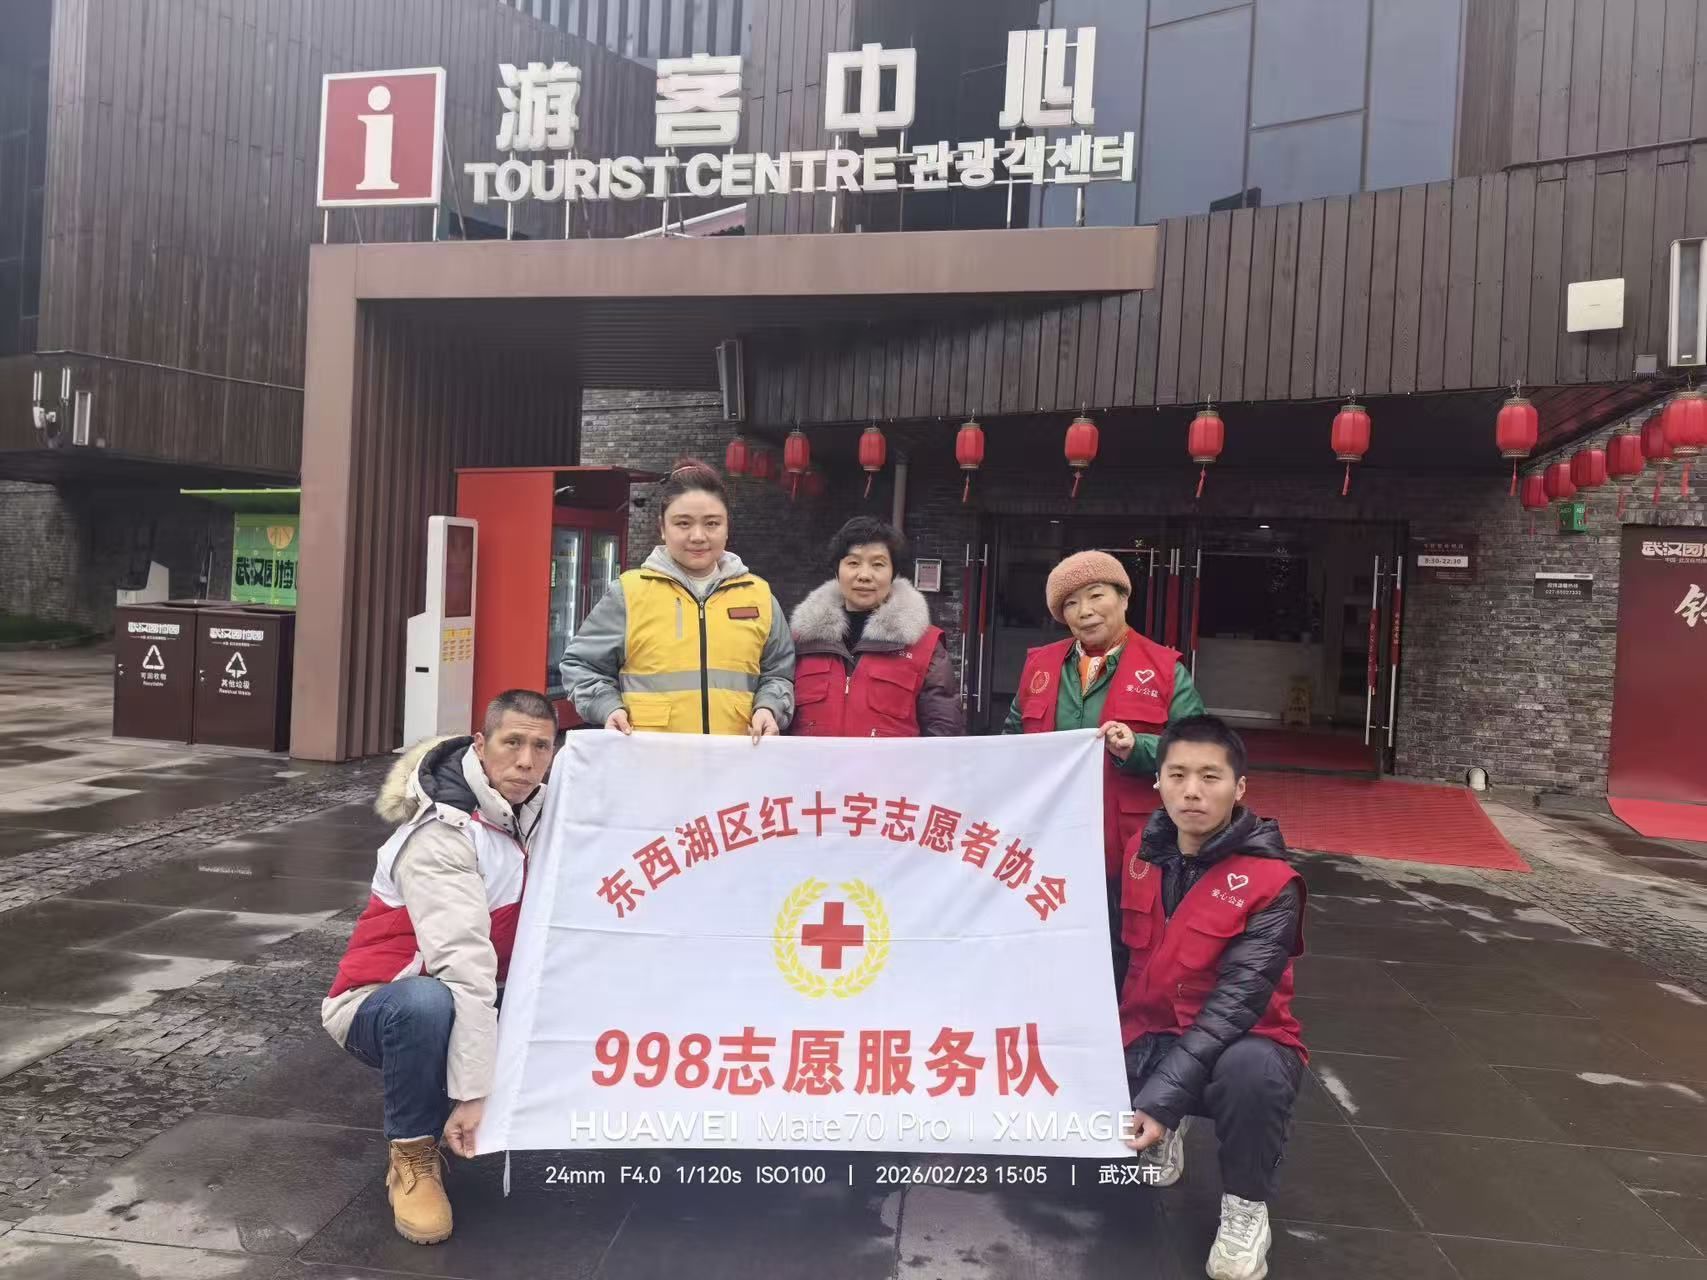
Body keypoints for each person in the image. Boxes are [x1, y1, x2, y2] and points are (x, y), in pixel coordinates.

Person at [321, 690, 557, 1246]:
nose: (526, 761)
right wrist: (475, 1093)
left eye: (541, 747)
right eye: (512, 743)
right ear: (481, 744)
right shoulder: (441, 834)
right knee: (428, 1004)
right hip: (381, 1001)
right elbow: (463, 968)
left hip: (476, 991)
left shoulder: (540, 815)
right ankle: (413, 1152)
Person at [1120, 716, 1306, 1280]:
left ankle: (1246, 1208)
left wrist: (1161, 1098)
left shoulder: (1273, 884)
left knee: (1254, 1074)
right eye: (1177, 775)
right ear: (1158, 781)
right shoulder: (1139, 855)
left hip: (1237, 1042)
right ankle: (1165, 1128)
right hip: (1146, 1030)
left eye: (1210, 777)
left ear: (1239, 787)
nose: (1192, 792)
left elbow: (1233, 1009)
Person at [1003, 550, 1207, 884]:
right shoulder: (1040, 665)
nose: (1085, 611)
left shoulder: (1165, 670)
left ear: (1124, 598)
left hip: (1130, 845)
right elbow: (1011, 742)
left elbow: (1200, 751)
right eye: (1070, 603)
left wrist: (1136, 747)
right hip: (1047, 837)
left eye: (1096, 595)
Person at [560, 458, 794, 741]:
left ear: (727, 527)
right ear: (662, 527)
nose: (698, 536)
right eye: (683, 523)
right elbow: (581, 666)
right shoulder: (628, 594)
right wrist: (608, 707)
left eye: (712, 523)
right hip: (652, 758)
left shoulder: (759, 596)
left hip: (736, 757)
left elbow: (779, 673)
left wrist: (769, 707)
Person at [788, 516, 962, 738]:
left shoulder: (925, 646)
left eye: (878, 564)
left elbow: (944, 732)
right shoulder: (801, 640)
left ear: (893, 574)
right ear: (836, 571)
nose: (864, 576)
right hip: (816, 762)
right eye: (853, 563)